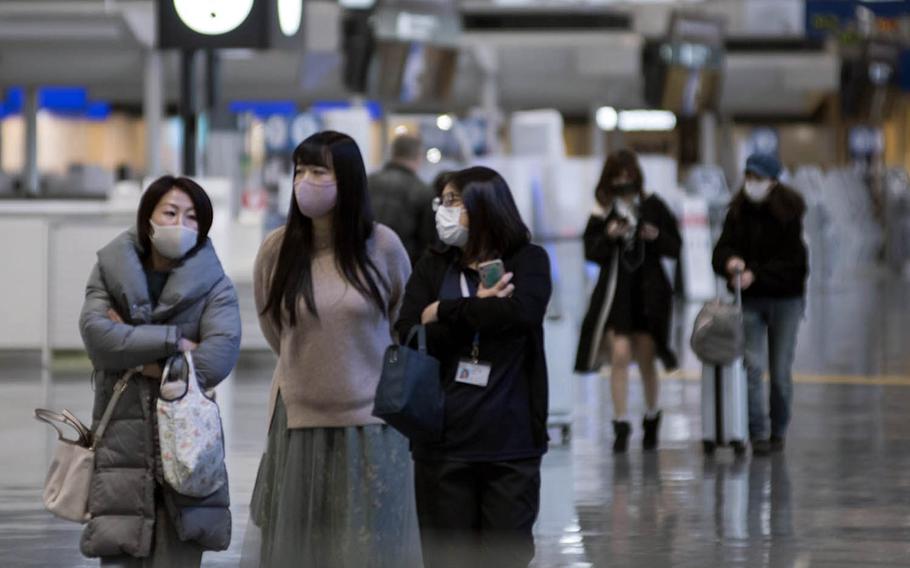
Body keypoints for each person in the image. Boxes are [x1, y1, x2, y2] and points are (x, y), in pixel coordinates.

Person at [246, 131, 420, 567]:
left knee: (367, 546)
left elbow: (402, 324)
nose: (306, 180)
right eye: (300, 170)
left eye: (318, 170)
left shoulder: (383, 247)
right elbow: (275, 331)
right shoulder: (277, 250)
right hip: (298, 421)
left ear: (348, 179)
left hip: (372, 423)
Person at [79, 176, 241, 566]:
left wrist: (135, 352)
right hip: (122, 443)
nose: (180, 225)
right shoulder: (109, 271)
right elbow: (98, 338)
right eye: (170, 213)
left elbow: (216, 359)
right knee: (120, 550)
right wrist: (177, 342)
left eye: (192, 217)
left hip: (187, 445)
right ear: (147, 217)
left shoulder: (216, 285)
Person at [396, 166, 552, 568]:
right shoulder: (433, 266)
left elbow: (521, 315)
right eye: (442, 202)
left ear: (484, 206)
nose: (443, 211)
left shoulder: (527, 260)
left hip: (511, 443)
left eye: (452, 202)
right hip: (443, 444)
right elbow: (409, 332)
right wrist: (481, 309)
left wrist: (446, 310)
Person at [574, 149, 681, 453]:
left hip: (648, 293)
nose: (623, 184)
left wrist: (654, 236)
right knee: (619, 354)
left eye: (628, 178)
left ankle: (651, 414)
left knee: (647, 354)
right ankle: (620, 422)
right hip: (615, 295)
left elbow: (675, 246)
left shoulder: (654, 206)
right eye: (617, 179)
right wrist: (609, 236)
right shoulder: (601, 212)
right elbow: (590, 251)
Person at [712, 153, 808, 456]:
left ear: (773, 181)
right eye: (749, 177)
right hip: (750, 302)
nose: (752, 183)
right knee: (752, 367)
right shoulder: (737, 213)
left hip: (785, 302)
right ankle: (758, 433)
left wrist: (758, 275)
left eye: (759, 178)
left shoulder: (790, 214)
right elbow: (720, 251)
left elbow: (796, 266)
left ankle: (779, 429)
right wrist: (731, 262)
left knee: (779, 372)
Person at [368, 134, 437, 264]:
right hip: (404, 268)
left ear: (393, 152)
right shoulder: (423, 191)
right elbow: (427, 242)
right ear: (418, 156)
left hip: (364, 265)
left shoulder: (367, 182)